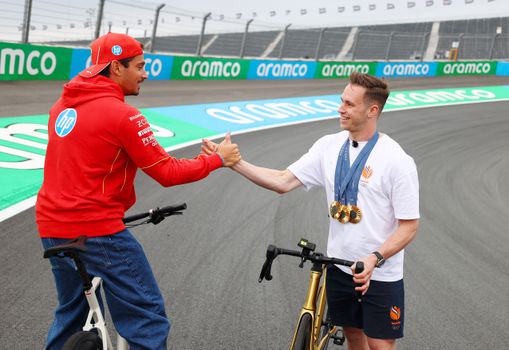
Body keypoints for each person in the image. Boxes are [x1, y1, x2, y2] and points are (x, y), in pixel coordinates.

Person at [36, 32, 240, 350]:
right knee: (147, 318)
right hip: (97, 231)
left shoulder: (60, 106)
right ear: (116, 68)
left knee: (71, 316)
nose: (145, 73)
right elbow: (167, 172)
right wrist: (216, 160)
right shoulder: (125, 116)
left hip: (51, 225)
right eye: (140, 66)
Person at [203, 72, 419, 350]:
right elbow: (283, 181)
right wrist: (233, 162)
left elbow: (409, 226)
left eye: (350, 104)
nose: (340, 108)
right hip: (341, 267)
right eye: (342, 101)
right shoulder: (328, 146)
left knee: (379, 344)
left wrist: (375, 257)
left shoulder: (397, 160)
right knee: (353, 336)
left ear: (372, 110)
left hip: (379, 273)